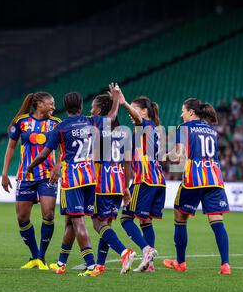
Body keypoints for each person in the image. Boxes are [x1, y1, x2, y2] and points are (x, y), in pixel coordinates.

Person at [27, 88, 118, 276]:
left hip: (73, 180)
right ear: (81, 106)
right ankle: (61, 263)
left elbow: (44, 153)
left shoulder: (60, 128)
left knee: (78, 221)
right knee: (71, 219)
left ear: (65, 107)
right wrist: (116, 99)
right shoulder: (91, 121)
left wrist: (31, 166)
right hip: (91, 178)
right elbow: (111, 116)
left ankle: (91, 266)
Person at [163, 98, 231, 275]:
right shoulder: (212, 130)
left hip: (194, 177)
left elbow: (178, 156)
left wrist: (162, 154)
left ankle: (180, 262)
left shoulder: (184, 128)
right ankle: (225, 265)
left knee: (180, 215)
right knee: (217, 220)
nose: (181, 114)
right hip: (215, 178)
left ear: (191, 112)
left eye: (183, 111)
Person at [1, 92, 61, 270]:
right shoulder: (22, 122)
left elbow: (64, 149)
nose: (53, 107)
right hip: (26, 176)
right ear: (39, 104)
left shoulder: (56, 124)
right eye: (50, 103)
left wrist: (58, 166)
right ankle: (34, 256)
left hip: (47, 175)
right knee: (22, 217)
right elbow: (11, 147)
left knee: (49, 214)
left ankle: (41, 257)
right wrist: (4, 173)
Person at [117, 88, 165, 273]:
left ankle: (147, 250)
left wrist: (123, 103)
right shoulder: (156, 129)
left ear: (144, 111)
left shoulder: (144, 125)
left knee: (126, 218)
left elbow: (136, 118)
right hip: (158, 179)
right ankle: (149, 264)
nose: (131, 114)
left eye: (135, 109)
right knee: (145, 221)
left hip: (144, 179)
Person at [89, 90, 136, 275]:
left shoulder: (98, 128)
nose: (91, 110)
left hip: (101, 183)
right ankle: (100, 264)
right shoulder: (124, 132)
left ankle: (125, 252)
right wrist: (125, 187)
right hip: (117, 183)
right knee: (107, 223)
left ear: (100, 110)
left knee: (98, 224)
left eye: (93, 107)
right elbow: (128, 163)